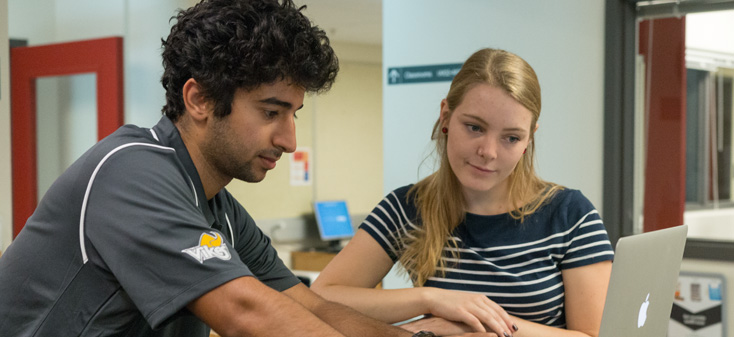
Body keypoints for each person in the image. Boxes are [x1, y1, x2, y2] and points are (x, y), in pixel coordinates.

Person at [0, 1, 418, 336]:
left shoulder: (219, 209)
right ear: (199, 100)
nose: (289, 140)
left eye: (294, 114)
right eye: (271, 111)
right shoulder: (129, 173)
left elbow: (304, 306)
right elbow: (247, 313)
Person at [311, 48, 615, 337]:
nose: (488, 152)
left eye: (510, 137)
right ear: (446, 116)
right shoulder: (407, 207)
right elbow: (322, 297)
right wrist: (432, 299)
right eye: (474, 127)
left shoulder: (570, 214)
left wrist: (478, 325)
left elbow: (596, 334)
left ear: (528, 139)